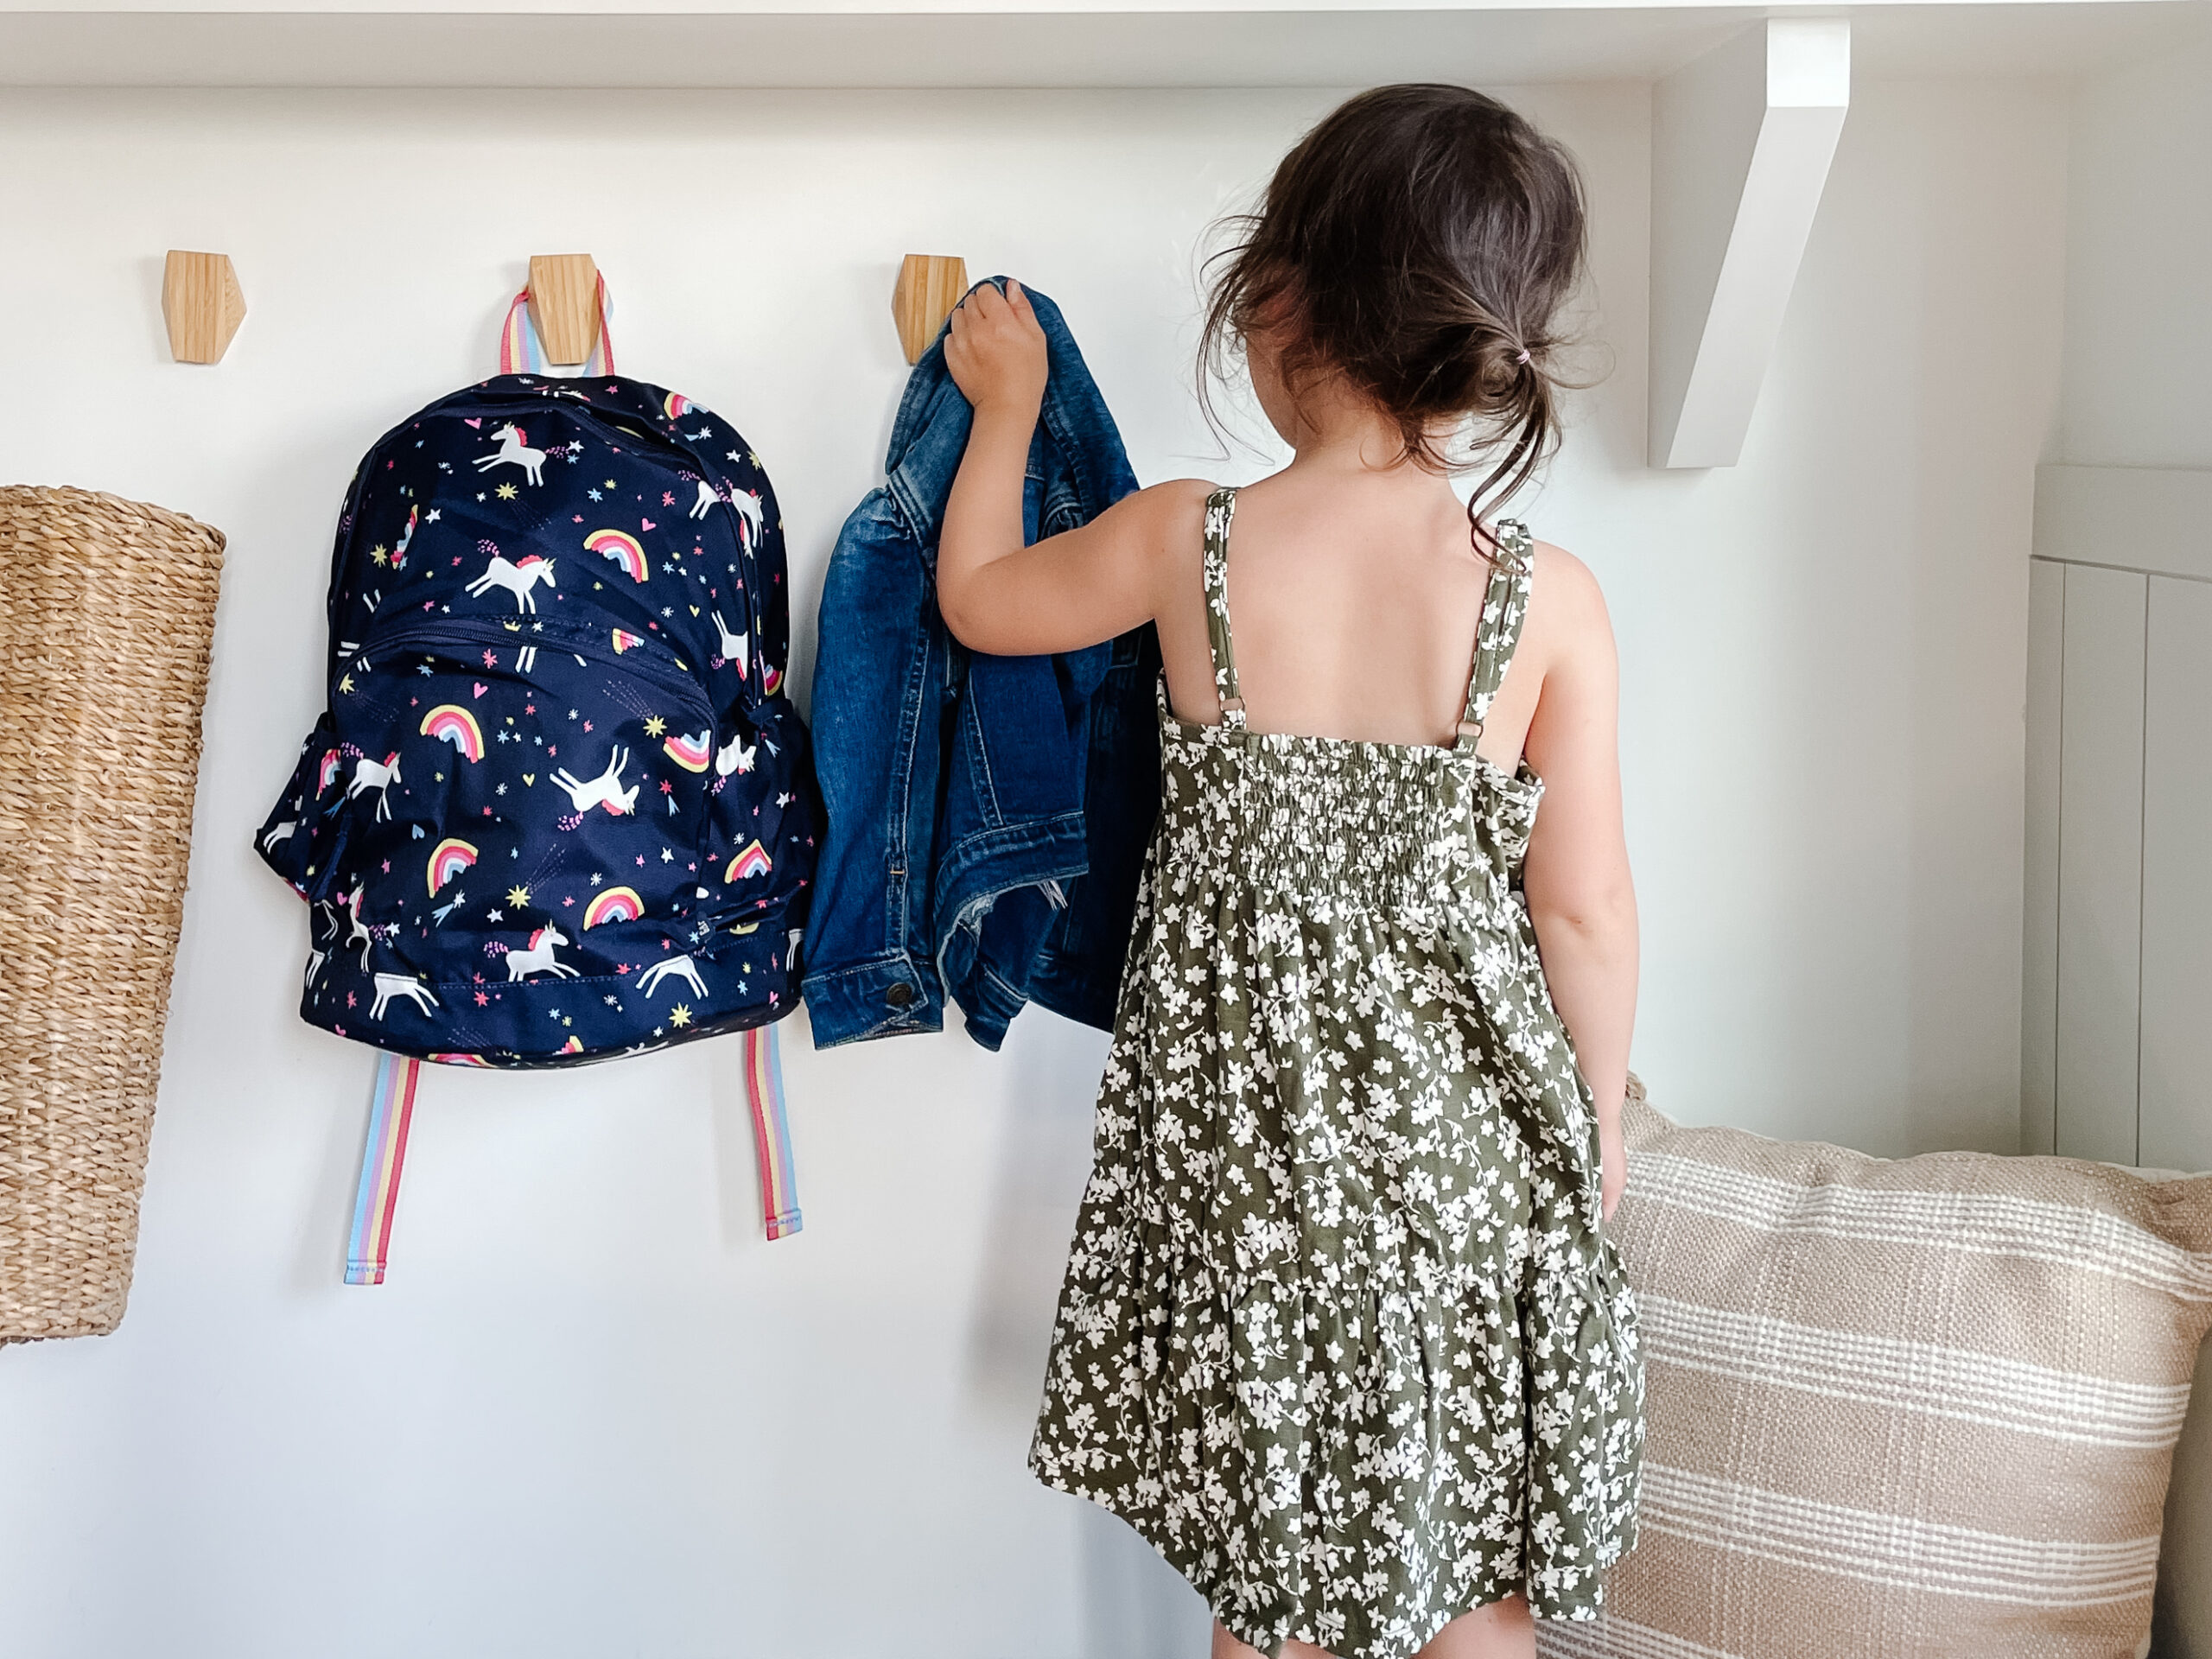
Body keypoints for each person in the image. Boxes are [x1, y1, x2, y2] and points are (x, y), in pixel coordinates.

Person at [934, 82, 1643, 1659]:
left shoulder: (1193, 539)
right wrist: (1593, 1126)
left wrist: (1005, 409)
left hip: (1257, 1179)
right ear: (1489, 351)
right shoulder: (1551, 601)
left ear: (1278, 296)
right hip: (1475, 1177)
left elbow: (979, 600)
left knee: (1284, 1585)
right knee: (1480, 1575)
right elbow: (1584, 907)